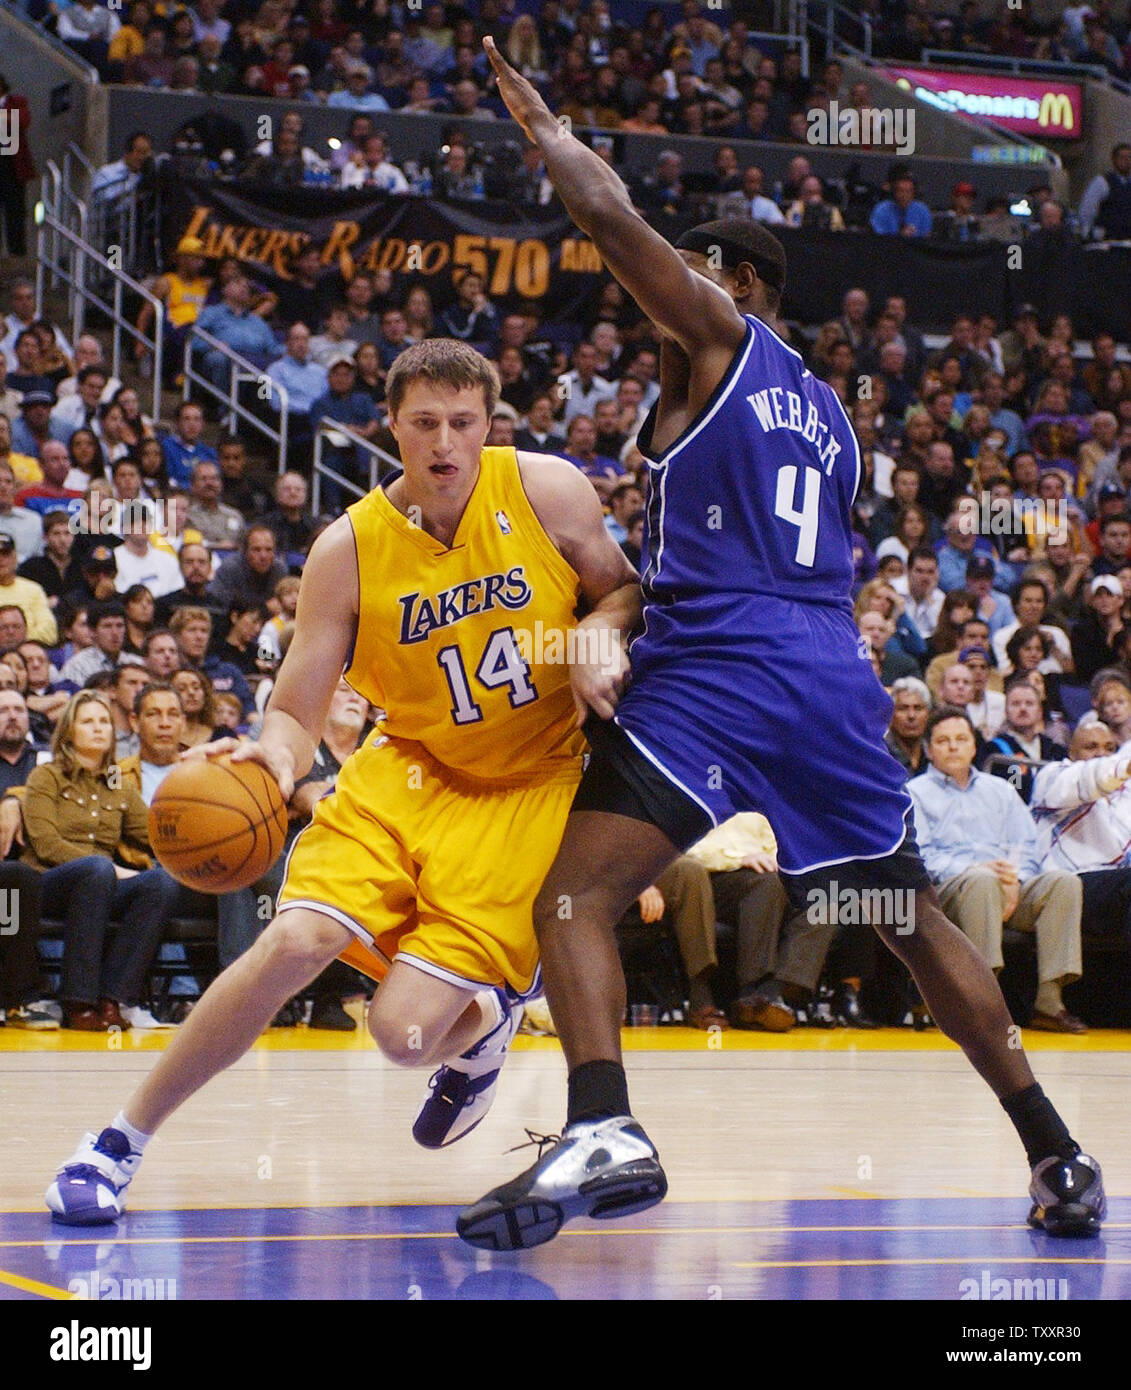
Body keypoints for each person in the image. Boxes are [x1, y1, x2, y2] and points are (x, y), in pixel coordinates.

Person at [452, 40, 1105, 1250]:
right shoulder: (836, 423)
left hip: (723, 678)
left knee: (572, 899)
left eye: (693, 268)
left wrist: (545, 133)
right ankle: (1059, 1154)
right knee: (909, 921)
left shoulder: (719, 335)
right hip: (827, 673)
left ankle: (603, 1121)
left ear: (736, 281)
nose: (665, 286)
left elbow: (608, 215)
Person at [45, 337, 639, 1227]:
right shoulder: (347, 547)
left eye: (463, 423)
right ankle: (117, 1142)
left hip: (530, 786)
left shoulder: (546, 490)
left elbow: (624, 591)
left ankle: (479, 1038)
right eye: (425, 423)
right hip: (407, 768)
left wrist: (601, 631)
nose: (445, 442)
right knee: (292, 944)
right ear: (389, 427)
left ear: (489, 424)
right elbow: (295, 707)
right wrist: (273, 759)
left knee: (400, 1039)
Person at [909, 705, 1086, 1034]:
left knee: (1063, 882)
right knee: (980, 880)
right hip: (948, 893)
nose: (953, 746)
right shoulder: (915, 794)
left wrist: (1015, 882)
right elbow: (922, 859)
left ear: (974, 746)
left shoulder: (1000, 790)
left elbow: (1027, 845)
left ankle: (1049, 1001)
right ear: (929, 750)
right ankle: (982, 1001)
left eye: (961, 739)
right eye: (943, 740)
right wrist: (977, 868)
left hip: (1004, 889)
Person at [22, 691, 181, 1032]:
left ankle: (113, 997)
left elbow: (156, 836)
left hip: (101, 886)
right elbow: (46, 844)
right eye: (88, 722)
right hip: (47, 884)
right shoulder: (47, 776)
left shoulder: (117, 784)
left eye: (104, 722)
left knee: (160, 883)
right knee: (95, 869)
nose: (98, 729)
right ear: (69, 731)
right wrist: (110, 868)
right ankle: (78, 1000)